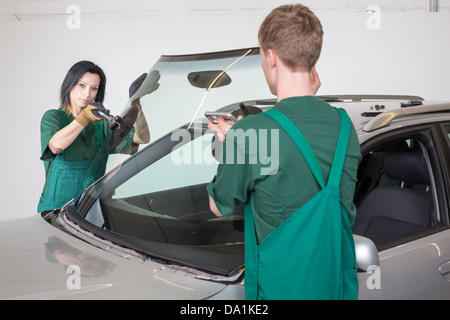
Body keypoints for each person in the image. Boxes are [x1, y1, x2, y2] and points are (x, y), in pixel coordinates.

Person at [207, 4, 361, 299]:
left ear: (271, 56)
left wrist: (229, 144)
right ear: (311, 58)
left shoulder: (250, 133)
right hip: (333, 288)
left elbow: (218, 205)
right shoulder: (344, 126)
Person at [38, 61, 153, 212]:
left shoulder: (101, 123)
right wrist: (84, 118)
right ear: (69, 84)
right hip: (55, 211)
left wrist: (136, 104)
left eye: (94, 89)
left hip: (92, 209)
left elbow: (141, 138)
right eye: (82, 85)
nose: (87, 94)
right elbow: (55, 146)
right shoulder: (53, 117)